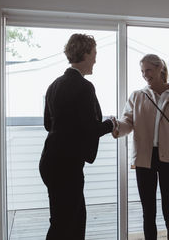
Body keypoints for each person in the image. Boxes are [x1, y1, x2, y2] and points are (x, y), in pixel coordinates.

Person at [112, 54, 169, 240]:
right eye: (142, 71)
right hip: (145, 158)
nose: (145, 75)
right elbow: (127, 122)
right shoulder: (137, 96)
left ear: (160, 69)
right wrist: (116, 127)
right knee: (148, 210)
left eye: (148, 70)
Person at [39, 34, 116, 240]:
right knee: (65, 223)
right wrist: (111, 124)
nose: (95, 59)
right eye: (94, 54)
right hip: (66, 166)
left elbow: (49, 124)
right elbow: (90, 129)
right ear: (84, 53)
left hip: (50, 161)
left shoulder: (54, 85)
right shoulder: (84, 86)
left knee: (70, 218)